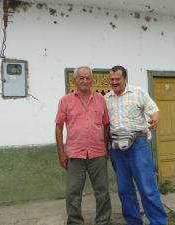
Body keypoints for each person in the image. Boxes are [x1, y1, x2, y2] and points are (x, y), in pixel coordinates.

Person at [104, 65, 168, 225]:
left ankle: (158, 222)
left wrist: (155, 120)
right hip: (116, 147)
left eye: (118, 79)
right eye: (112, 79)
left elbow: (154, 110)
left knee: (147, 186)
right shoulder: (106, 99)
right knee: (124, 189)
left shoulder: (138, 92)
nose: (114, 82)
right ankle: (133, 221)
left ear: (125, 79)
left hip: (137, 143)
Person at [55, 66, 111, 225]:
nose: (85, 81)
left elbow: (106, 124)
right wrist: (61, 153)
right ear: (75, 80)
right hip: (74, 154)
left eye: (88, 78)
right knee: (73, 193)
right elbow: (59, 127)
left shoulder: (100, 99)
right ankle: (75, 222)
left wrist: (106, 147)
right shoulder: (65, 100)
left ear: (92, 80)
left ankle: (103, 221)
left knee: (102, 192)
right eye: (81, 78)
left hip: (98, 154)